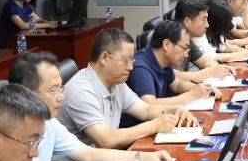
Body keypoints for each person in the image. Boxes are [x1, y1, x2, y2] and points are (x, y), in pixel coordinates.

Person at [7, 52, 180, 161]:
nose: (61, 97)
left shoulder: (49, 122)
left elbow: (89, 155)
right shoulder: (13, 138)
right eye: (53, 91)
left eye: (61, 88)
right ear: (26, 94)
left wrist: (142, 157)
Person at [58, 28, 197, 149]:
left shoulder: (116, 82)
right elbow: (105, 140)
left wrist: (175, 109)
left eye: (132, 60)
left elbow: (145, 110)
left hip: (105, 156)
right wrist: (153, 126)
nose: (130, 67)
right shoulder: (82, 91)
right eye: (126, 60)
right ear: (104, 57)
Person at [121, 21, 218, 127]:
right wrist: (191, 95)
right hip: (139, 129)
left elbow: (177, 85)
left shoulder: (164, 61)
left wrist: (200, 89)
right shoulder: (140, 68)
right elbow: (149, 104)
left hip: (158, 123)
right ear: (166, 45)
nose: (186, 55)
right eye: (184, 48)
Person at [173, 0, 242, 72]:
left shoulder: (187, 39)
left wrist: (223, 68)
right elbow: (177, 76)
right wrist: (208, 73)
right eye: (204, 20)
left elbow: (204, 61)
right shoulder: (172, 42)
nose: (207, 25)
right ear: (187, 21)